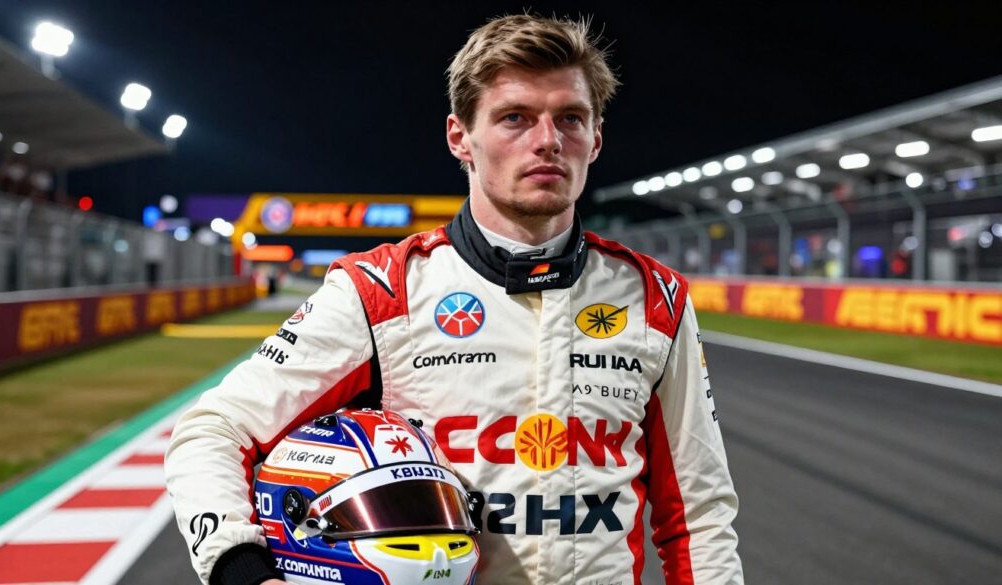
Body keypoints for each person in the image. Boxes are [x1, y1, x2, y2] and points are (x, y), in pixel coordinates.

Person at [166, 13, 743, 585]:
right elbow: (212, 430)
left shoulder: (656, 298)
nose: (548, 140)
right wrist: (241, 571)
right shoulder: (383, 291)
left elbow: (699, 515)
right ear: (459, 137)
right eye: (515, 117)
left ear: (595, 139)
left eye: (570, 117)